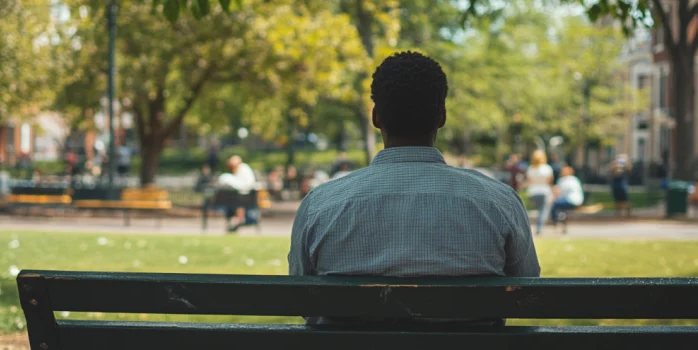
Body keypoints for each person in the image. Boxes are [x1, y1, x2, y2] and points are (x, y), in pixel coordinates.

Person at [288, 51, 540, 325]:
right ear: (441, 117)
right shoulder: (499, 202)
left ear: (376, 117)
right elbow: (526, 291)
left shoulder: (321, 205)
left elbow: (304, 299)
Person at [217, 155, 257, 231]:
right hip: (243, 197)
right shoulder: (242, 169)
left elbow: (244, 186)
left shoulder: (242, 169)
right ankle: (235, 219)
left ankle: (237, 219)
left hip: (245, 196)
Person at [524, 150, 553, 235]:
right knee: (542, 211)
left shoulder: (531, 168)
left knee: (530, 210)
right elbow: (549, 182)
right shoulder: (547, 168)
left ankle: (527, 227)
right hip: (544, 191)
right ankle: (539, 228)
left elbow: (529, 181)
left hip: (532, 192)